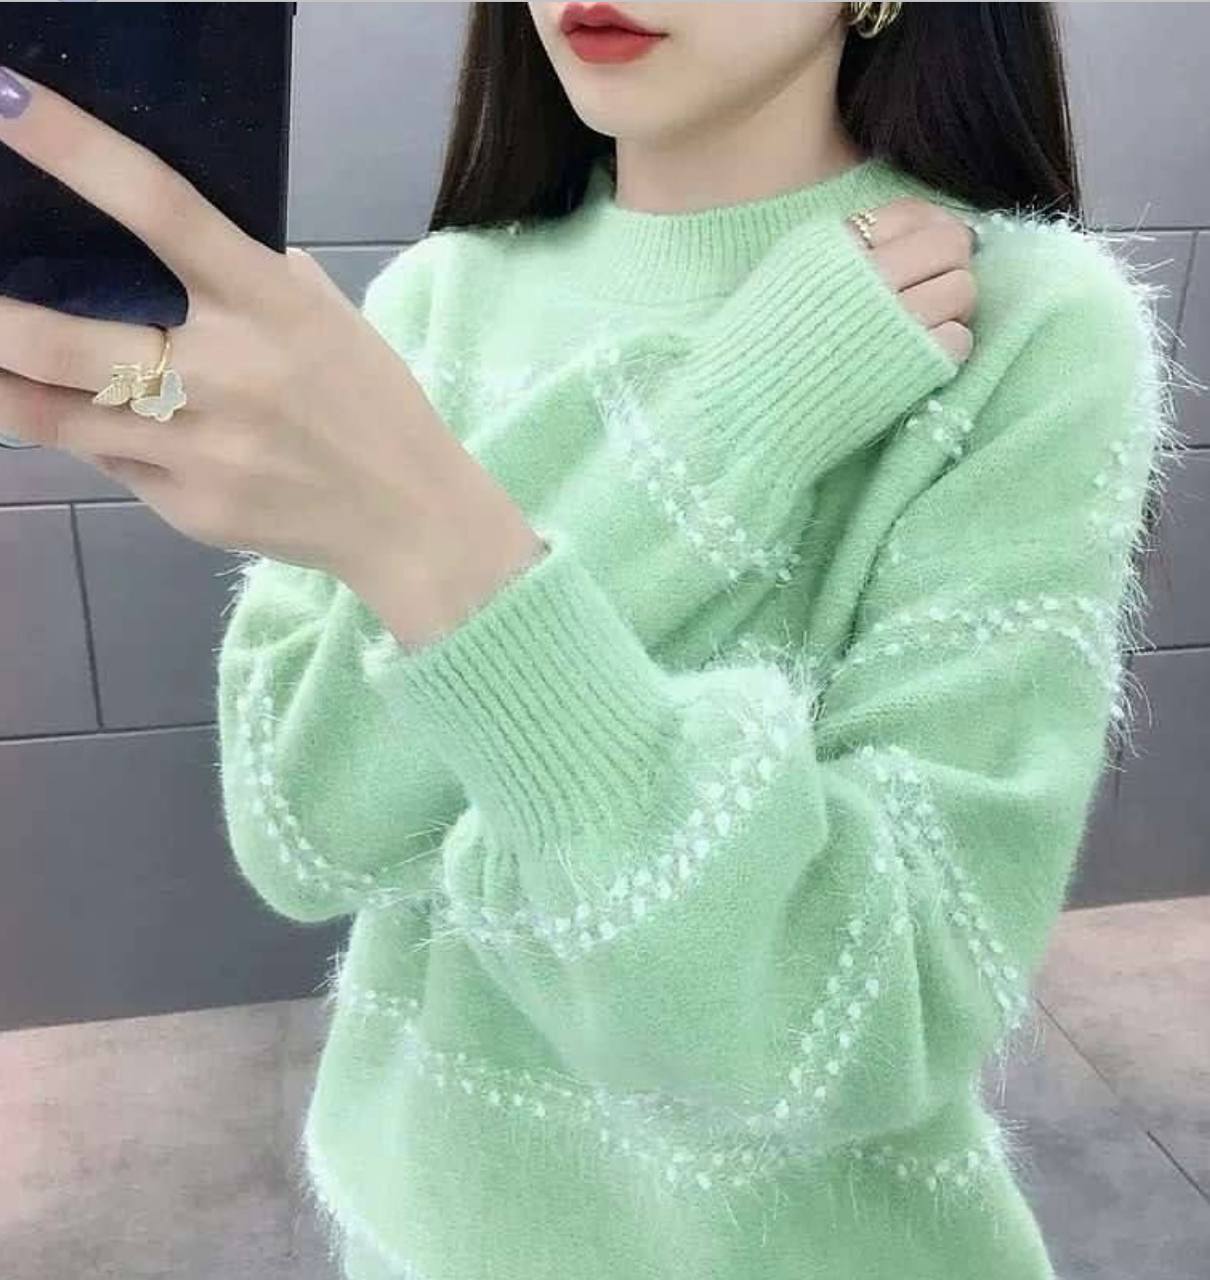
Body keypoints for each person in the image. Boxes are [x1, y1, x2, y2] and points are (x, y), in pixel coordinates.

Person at [211, 4, 1186, 1279]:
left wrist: (449, 571)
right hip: (419, 1232)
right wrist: (733, 427)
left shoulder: (1024, 322)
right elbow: (302, 833)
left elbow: (852, 1017)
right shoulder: (434, 298)